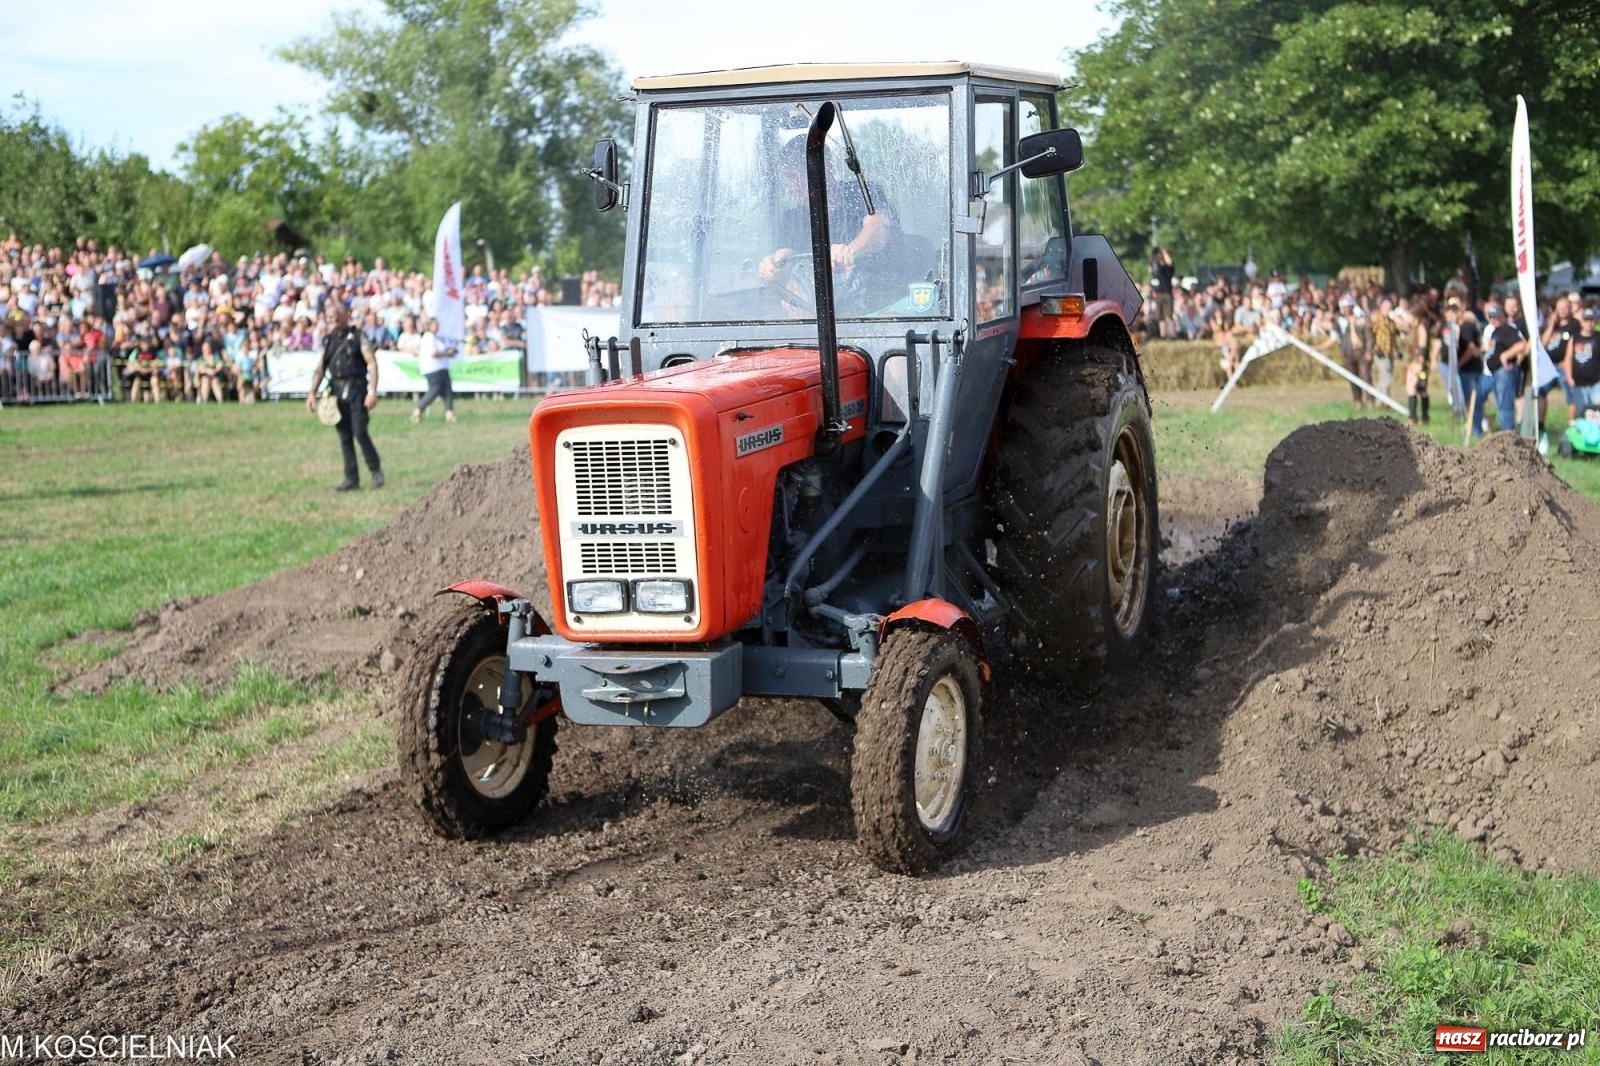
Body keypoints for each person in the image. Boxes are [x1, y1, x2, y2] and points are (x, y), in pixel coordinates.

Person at [756, 136, 906, 316]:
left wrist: (848, 251)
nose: (793, 186)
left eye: (798, 176)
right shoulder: (792, 218)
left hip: (876, 311)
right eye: (789, 178)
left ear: (825, 167)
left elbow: (877, 229)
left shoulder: (864, 193)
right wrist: (773, 267)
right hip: (821, 317)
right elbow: (786, 256)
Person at [306, 302, 384, 491]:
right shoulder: (330, 340)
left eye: (335, 315)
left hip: (358, 391)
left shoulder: (358, 337)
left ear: (345, 316)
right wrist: (312, 393)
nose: (332, 319)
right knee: (344, 436)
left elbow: (372, 364)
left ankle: (376, 471)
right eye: (330, 316)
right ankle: (351, 479)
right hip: (337, 393)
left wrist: (372, 392)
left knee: (360, 432)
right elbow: (321, 368)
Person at [1483, 302, 1528, 433]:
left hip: (1505, 372)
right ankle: (1505, 431)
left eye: (1496, 316)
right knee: (1500, 404)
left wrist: (1505, 356)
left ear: (1503, 316)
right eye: (1491, 317)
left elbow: (1522, 345)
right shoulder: (1496, 331)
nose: (1493, 319)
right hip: (1495, 372)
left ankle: (1508, 433)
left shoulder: (1508, 330)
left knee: (1505, 404)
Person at [412, 316, 457, 423]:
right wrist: (447, 353)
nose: (437, 327)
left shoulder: (435, 337)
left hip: (442, 367)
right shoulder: (429, 337)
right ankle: (418, 410)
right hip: (434, 368)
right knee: (434, 391)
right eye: (435, 324)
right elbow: (433, 354)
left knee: (447, 391)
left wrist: (449, 352)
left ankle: (449, 413)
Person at [1566, 308, 1600, 414]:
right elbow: (1568, 358)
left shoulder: (1598, 337)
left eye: (1591, 320)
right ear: (1582, 321)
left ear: (1595, 321)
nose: (1589, 323)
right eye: (1586, 320)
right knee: (1581, 411)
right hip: (1578, 382)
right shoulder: (1575, 337)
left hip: (1596, 382)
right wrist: (1569, 377)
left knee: (1596, 410)